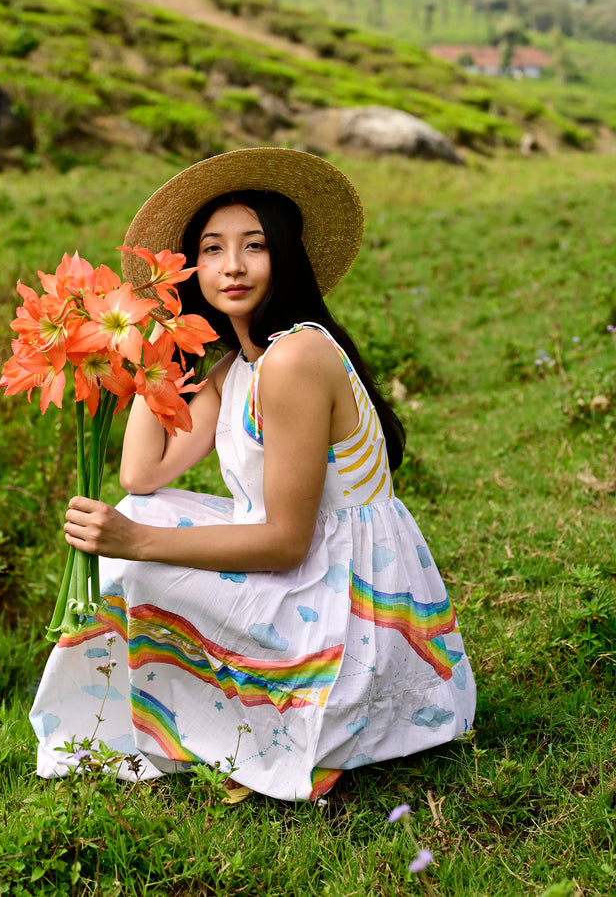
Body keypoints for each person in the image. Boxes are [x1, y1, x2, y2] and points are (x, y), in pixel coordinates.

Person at [29, 148, 475, 801]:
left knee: (137, 560)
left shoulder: (294, 359)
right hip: (305, 563)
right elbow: (142, 472)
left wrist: (136, 543)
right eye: (211, 249)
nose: (232, 265)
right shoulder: (235, 368)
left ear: (285, 256)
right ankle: (166, 711)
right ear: (191, 268)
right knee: (142, 514)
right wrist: (154, 338)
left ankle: (226, 718)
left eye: (254, 245)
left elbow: (287, 540)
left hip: (342, 600)